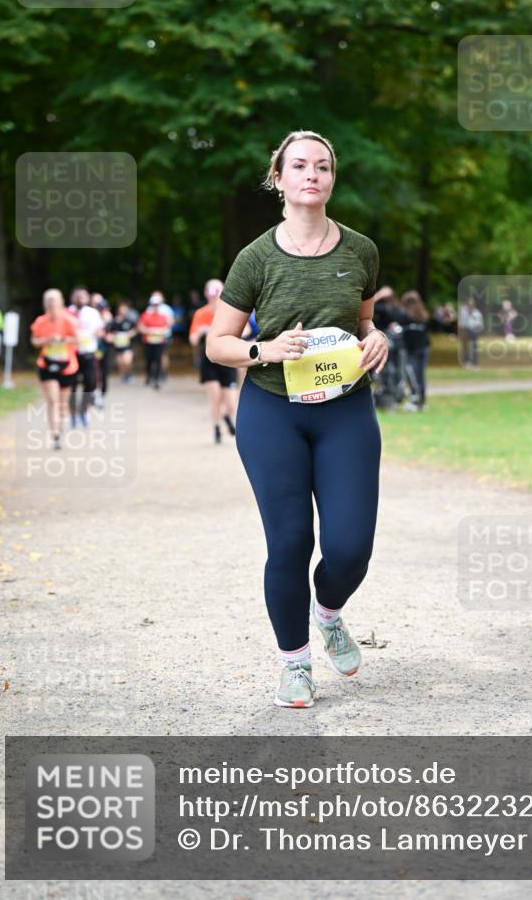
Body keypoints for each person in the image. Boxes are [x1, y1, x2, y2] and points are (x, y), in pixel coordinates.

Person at [208, 129, 388, 708]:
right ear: (279, 178)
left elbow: (362, 324)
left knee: (350, 548)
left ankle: (328, 610)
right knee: (289, 544)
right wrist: (266, 350)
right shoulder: (256, 258)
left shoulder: (360, 250)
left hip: (344, 410)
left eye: (322, 166)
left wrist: (376, 337)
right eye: (300, 166)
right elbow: (218, 344)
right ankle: (295, 664)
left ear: (331, 179)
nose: (311, 174)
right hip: (272, 411)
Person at [188, 279, 238, 443]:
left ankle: (226, 416)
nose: (214, 297)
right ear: (206, 294)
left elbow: (245, 331)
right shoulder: (200, 314)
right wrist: (202, 332)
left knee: (231, 401)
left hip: (228, 359)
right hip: (209, 360)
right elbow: (193, 339)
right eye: (211, 293)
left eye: (217, 293)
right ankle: (216, 428)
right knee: (215, 397)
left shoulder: (230, 312)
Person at [30, 289, 79, 449]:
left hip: (67, 366)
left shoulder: (69, 320)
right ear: (45, 303)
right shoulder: (40, 321)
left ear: (61, 301)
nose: (51, 302)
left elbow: (78, 339)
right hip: (47, 364)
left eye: (54, 299)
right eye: (48, 299)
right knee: (53, 400)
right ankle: (55, 435)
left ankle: (61, 423)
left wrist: (63, 340)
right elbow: (34, 341)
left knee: (62, 403)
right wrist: (47, 340)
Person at [68, 287, 104, 428]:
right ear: (72, 298)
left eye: (83, 297)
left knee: (90, 384)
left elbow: (100, 330)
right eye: (77, 296)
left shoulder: (92, 313)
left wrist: (98, 333)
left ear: (88, 298)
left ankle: (83, 411)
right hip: (72, 354)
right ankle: (73, 416)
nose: (80, 299)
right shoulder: (68, 313)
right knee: (72, 386)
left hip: (88, 353)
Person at [401, 290, 431, 409]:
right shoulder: (423, 315)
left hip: (413, 350)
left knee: (412, 375)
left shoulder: (405, 316)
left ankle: (416, 399)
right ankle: (421, 400)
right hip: (423, 349)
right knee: (420, 375)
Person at [138, 293, 172, 389]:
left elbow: (168, 326)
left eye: (157, 305)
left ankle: (156, 379)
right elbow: (140, 327)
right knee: (149, 360)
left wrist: (161, 331)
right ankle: (149, 375)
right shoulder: (146, 315)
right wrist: (149, 331)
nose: (156, 306)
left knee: (158, 360)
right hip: (148, 341)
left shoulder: (163, 315)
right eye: (154, 304)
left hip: (160, 341)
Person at [105, 300, 137, 382]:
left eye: (125, 309)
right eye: (122, 309)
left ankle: (128, 374)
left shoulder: (129, 320)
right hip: (118, 345)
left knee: (127, 360)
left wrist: (130, 334)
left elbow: (135, 329)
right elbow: (109, 332)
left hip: (128, 345)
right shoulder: (114, 321)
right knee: (120, 362)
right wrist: (112, 337)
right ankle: (124, 375)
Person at [458, 297, 484, 368]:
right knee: (465, 347)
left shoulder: (477, 313)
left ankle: (475, 363)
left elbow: (481, 324)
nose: (470, 305)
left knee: (474, 347)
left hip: (474, 330)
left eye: (471, 304)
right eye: (469, 304)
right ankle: (466, 361)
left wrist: (478, 326)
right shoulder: (463, 312)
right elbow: (460, 323)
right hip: (465, 330)